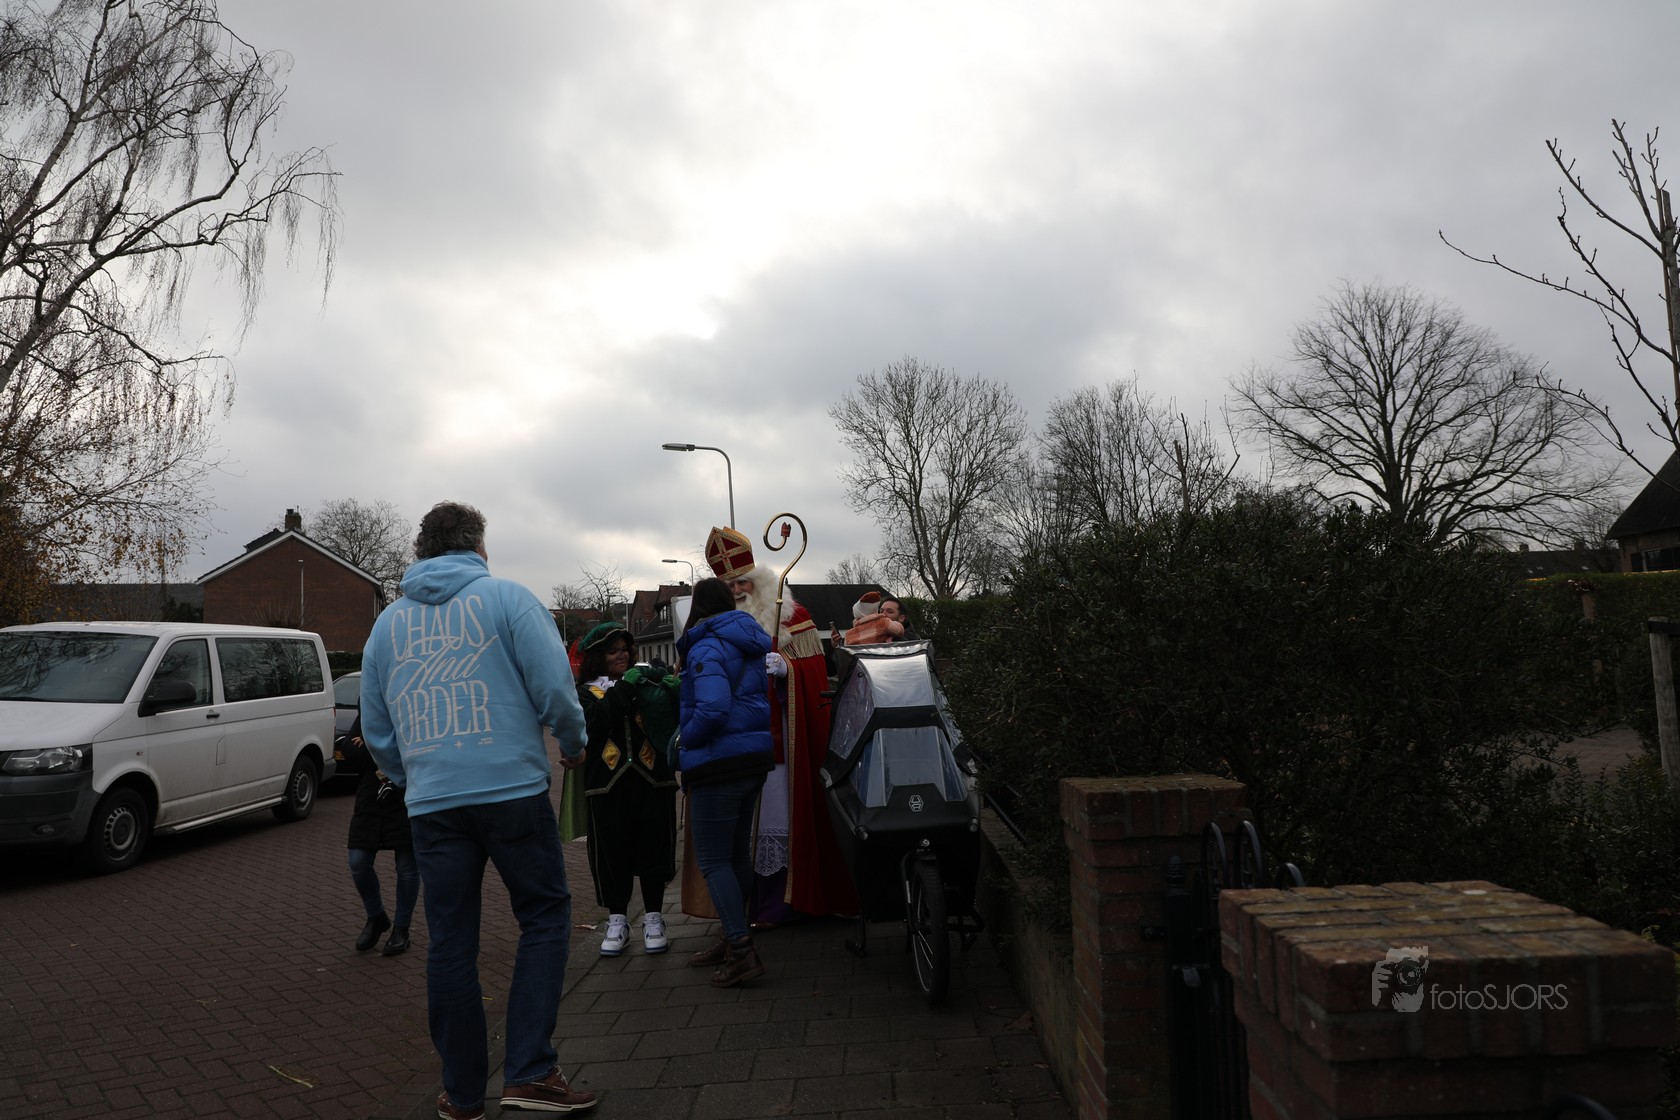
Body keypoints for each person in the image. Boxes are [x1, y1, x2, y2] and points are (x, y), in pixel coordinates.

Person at [360, 502, 596, 1120]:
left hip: (433, 805)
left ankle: (463, 1095)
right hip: (511, 790)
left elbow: (376, 726)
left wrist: (414, 776)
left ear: (421, 551)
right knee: (544, 917)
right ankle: (531, 1072)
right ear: (477, 546)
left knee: (450, 943)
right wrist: (573, 744)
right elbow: (555, 689)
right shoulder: (509, 599)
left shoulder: (387, 626)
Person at [702, 526, 856, 922]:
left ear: (760, 581)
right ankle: (757, 905)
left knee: (782, 816)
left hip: (785, 739)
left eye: (743, 582)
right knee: (748, 826)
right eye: (730, 586)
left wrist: (788, 669)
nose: (738, 591)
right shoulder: (715, 626)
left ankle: (797, 899)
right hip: (740, 740)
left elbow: (816, 675)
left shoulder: (794, 618)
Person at [674, 576, 775, 986]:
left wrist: (685, 741)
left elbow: (713, 709)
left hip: (719, 764)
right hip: (751, 759)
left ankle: (741, 950)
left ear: (697, 607)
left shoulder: (707, 645)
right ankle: (732, 936)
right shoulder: (748, 639)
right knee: (736, 858)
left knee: (714, 861)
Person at [574, 622, 680, 957]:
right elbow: (596, 723)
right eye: (613, 651)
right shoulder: (584, 693)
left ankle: (654, 919)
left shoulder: (644, 681)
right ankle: (617, 921)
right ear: (597, 657)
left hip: (652, 780)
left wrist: (673, 690)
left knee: (654, 851)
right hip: (607, 786)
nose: (622, 656)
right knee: (612, 855)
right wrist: (625, 688)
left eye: (624, 650)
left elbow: (670, 720)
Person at [340, 713, 419, 956]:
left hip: (407, 793)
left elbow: (414, 749)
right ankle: (376, 916)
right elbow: (349, 751)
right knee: (358, 860)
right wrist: (380, 747)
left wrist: (370, 744)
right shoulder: (370, 707)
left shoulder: (410, 706)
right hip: (371, 797)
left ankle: (402, 928)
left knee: (407, 868)